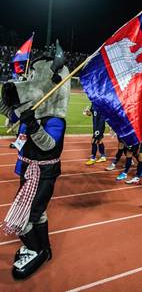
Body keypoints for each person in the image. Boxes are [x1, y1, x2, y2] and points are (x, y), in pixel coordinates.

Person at [0, 44, 70, 279]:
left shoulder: (55, 119)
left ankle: (36, 249)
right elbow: (9, 112)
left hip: (43, 173)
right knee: (37, 213)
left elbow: (49, 145)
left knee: (25, 216)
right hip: (29, 169)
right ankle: (42, 248)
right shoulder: (33, 111)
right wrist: (7, 102)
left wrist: (32, 124)